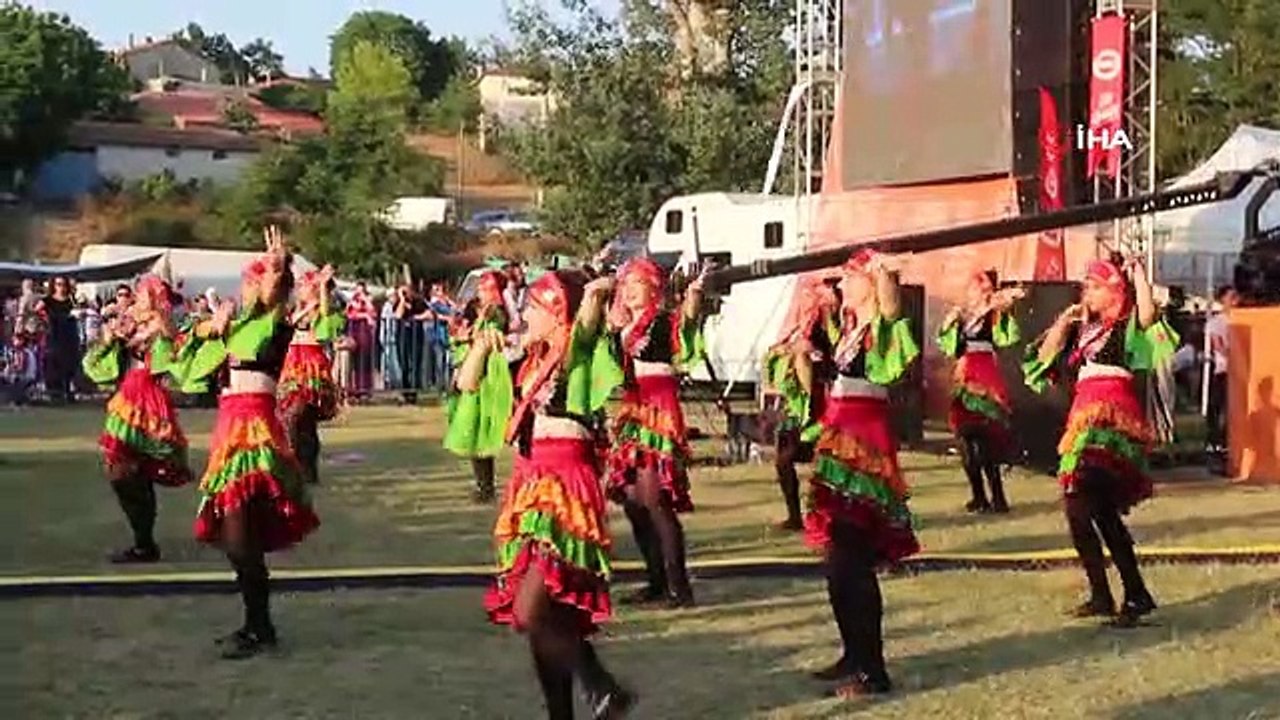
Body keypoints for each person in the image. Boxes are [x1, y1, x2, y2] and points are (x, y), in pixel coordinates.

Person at [482, 269, 635, 720]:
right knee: (550, 620)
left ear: (555, 313)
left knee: (533, 609)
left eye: (532, 306)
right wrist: (479, 347)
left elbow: (585, 325)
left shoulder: (575, 353)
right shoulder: (525, 361)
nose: (523, 313)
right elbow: (468, 383)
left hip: (565, 487)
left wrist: (591, 298)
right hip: (529, 485)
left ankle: (602, 688)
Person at [178, 226, 320, 659]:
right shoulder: (234, 325)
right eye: (247, 279)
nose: (244, 288)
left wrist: (279, 265)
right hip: (230, 429)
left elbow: (277, 295)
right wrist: (209, 330)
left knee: (241, 538)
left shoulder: (272, 319)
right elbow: (189, 374)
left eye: (251, 280)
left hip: (254, 433)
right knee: (240, 540)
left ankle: (259, 627)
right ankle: (257, 626)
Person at [1023, 257, 1175, 627]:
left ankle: (1118, 594)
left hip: (1110, 417)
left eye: (1094, 286)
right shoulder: (1082, 329)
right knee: (1095, 512)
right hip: (1082, 414)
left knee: (1082, 502)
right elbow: (1044, 358)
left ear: (1113, 291)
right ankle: (1122, 594)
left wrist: (1138, 274)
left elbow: (1149, 315)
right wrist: (1063, 321)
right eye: (1085, 286)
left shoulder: (1126, 325)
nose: (1086, 292)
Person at [800, 250, 919, 698]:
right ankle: (853, 654)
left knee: (853, 561)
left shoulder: (880, 326)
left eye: (849, 279)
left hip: (864, 448)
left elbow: (891, 307)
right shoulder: (849, 330)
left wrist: (884, 271)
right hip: (840, 442)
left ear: (868, 283)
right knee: (837, 564)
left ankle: (873, 669)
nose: (841, 287)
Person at [604, 258, 705, 608]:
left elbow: (686, 323)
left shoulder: (661, 321)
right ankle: (655, 579)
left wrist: (692, 297)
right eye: (625, 283)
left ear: (653, 288)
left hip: (658, 407)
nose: (629, 290)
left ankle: (679, 586)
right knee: (633, 502)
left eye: (637, 283)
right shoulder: (622, 326)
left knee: (654, 499)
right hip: (634, 408)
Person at [81, 275, 192, 563]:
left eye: (142, 295)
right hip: (127, 398)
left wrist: (158, 314)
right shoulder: (131, 322)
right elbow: (103, 358)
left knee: (130, 471)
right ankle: (144, 540)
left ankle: (144, 542)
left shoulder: (161, 324)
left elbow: (170, 339)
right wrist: (112, 336)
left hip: (147, 401)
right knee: (122, 471)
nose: (136, 298)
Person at [937, 270, 1025, 513]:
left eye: (977, 289)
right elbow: (949, 345)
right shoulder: (964, 317)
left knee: (986, 441)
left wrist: (1005, 306)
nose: (973, 293)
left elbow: (1007, 336)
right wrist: (949, 322)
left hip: (984, 374)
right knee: (965, 440)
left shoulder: (992, 315)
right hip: (964, 376)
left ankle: (997, 496)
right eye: (972, 289)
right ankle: (978, 495)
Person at [762, 279, 840, 531]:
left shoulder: (825, 323)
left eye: (810, 297)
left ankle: (828, 515)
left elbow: (833, 354)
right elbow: (774, 354)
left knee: (827, 460)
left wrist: (829, 310)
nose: (804, 301)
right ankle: (795, 515)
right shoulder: (794, 328)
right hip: (793, 404)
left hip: (820, 400)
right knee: (784, 460)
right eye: (803, 297)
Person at [444, 270, 512, 503]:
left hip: (484, 373)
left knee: (479, 428)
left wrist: (468, 336)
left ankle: (486, 486)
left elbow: (492, 336)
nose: (480, 292)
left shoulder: (497, 312)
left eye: (485, 288)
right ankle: (483, 484)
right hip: (469, 365)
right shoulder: (477, 310)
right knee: (472, 428)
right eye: (480, 288)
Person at [278, 266, 343, 485]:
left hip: (309, 368)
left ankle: (301, 466)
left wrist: (323, 286)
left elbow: (323, 312)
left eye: (304, 286)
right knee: (302, 422)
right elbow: (289, 323)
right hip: (293, 365)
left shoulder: (321, 310)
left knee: (297, 417)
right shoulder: (296, 309)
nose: (300, 289)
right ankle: (304, 469)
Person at [1205, 285, 1239, 460]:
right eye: (1231, 296)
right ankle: (1216, 444)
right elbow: (1218, 346)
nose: (1235, 300)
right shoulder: (1216, 322)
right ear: (1222, 299)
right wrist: (1236, 357)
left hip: (1240, 373)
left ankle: (1228, 443)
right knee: (1219, 408)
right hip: (1224, 371)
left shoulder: (1242, 319)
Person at [40, 276, 79, 403]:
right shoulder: (48, 300)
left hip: (69, 332)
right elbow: (36, 309)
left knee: (70, 362)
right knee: (54, 360)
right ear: (53, 286)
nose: (61, 287)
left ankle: (68, 390)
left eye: (63, 284)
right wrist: (46, 319)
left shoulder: (70, 299)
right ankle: (55, 392)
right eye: (58, 284)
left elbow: (79, 310)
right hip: (55, 332)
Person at [394, 284, 431, 404]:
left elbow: (429, 314)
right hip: (402, 336)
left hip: (416, 336)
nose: (406, 293)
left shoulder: (419, 301)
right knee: (403, 364)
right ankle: (405, 392)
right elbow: (398, 315)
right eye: (403, 292)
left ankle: (413, 393)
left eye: (407, 291)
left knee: (416, 365)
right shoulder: (398, 302)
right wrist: (402, 300)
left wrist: (416, 317)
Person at [345, 282, 377, 401]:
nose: (359, 293)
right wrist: (364, 315)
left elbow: (372, 313)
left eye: (361, 290)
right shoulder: (352, 301)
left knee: (365, 360)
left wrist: (366, 300)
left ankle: (365, 388)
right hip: (355, 331)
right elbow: (349, 314)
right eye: (357, 290)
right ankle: (355, 388)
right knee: (355, 361)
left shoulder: (368, 299)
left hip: (365, 333)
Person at [426, 282, 457, 392]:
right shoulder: (434, 304)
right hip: (438, 336)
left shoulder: (448, 304)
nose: (439, 292)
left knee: (450, 362)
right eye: (436, 290)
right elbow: (434, 314)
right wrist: (447, 318)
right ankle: (440, 386)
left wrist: (449, 301)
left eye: (440, 290)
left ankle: (449, 385)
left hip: (449, 336)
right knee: (440, 361)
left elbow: (457, 311)